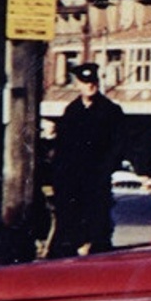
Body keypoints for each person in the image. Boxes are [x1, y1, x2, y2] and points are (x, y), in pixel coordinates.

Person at [47, 63, 124, 258]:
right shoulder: (72, 111)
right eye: (85, 82)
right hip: (72, 179)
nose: (90, 86)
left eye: (93, 82)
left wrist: (105, 170)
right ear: (77, 85)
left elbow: (117, 145)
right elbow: (63, 147)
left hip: (96, 178)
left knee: (98, 224)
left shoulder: (111, 111)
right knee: (68, 223)